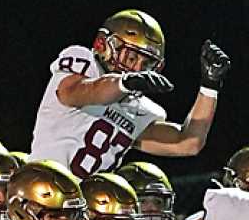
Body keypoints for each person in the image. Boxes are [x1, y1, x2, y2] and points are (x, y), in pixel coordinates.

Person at [29, 10, 229, 178]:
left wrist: (209, 86)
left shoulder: (137, 109)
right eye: (132, 57)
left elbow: (188, 143)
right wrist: (124, 83)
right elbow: (78, 93)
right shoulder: (83, 64)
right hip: (41, 189)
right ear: (103, 45)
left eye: (146, 64)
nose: (138, 68)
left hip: (88, 213)